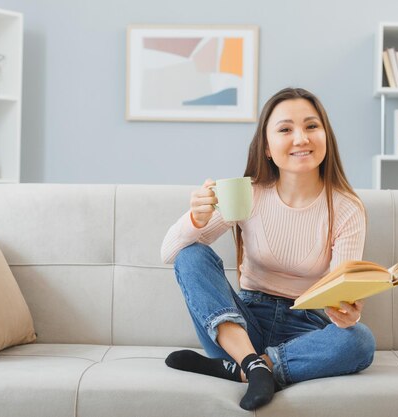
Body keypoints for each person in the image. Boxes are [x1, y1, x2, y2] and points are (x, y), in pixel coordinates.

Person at [160, 87, 375, 410]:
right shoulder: (249, 194)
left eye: (311, 126)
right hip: (239, 327)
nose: (301, 138)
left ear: (326, 137)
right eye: (286, 129)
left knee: (360, 341)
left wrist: (346, 313)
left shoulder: (346, 208)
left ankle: (247, 369)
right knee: (191, 253)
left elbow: (339, 293)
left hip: (306, 331)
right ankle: (252, 362)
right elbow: (169, 254)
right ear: (267, 148)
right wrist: (196, 218)